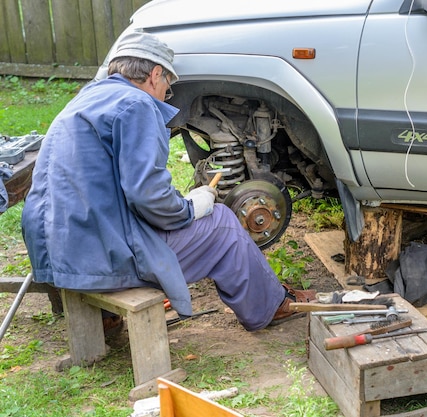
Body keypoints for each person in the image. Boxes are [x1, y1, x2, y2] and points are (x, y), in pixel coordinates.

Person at [21, 31, 313, 331]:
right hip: (96, 257)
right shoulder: (136, 104)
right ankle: (270, 306)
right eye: (167, 87)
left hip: (53, 249)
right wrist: (191, 208)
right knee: (223, 225)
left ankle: (106, 319)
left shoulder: (85, 100)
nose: (165, 93)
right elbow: (149, 196)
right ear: (155, 75)